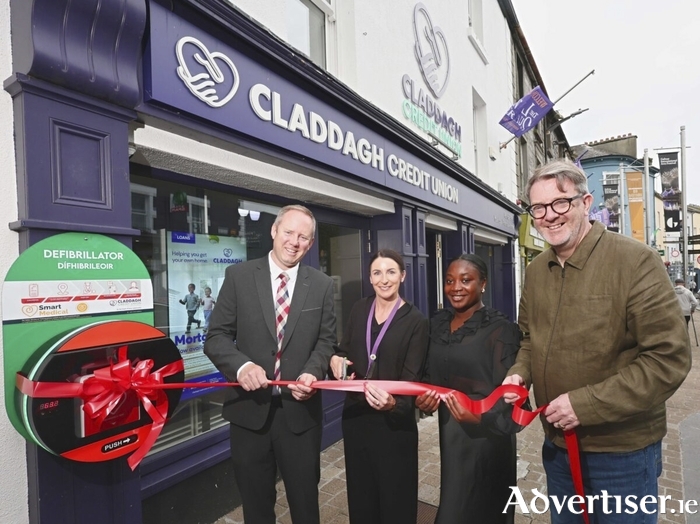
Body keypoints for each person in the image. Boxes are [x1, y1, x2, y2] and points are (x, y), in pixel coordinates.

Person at [503, 159, 691, 523]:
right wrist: (518, 374)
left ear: (586, 203)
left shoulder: (636, 261)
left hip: (622, 456)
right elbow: (529, 339)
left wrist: (584, 405)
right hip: (557, 449)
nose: (549, 216)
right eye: (538, 208)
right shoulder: (535, 271)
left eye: (561, 203)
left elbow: (668, 359)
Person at [203, 205, 336, 524]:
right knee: (256, 507)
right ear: (274, 231)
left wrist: (312, 370)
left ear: (311, 242)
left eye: (303, 237)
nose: (294, 241)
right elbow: (216, 336)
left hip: (300, 417)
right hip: (250, 414)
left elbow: (326, 341)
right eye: (289, 232)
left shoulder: (321, 285)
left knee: (306, 506)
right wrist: (240, 366)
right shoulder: (239, 277)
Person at [415, 254, 523, 524]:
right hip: (451, 433)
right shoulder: (437, 324)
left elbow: (514, 397)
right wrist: (424, 399)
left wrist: (481, 416)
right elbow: (430, 376)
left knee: (484, 510)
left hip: (489, 438)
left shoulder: (501, 329)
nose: (456, 287)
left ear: (483, 283)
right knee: (454, 504)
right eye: (450, 281)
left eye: (466, 280)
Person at [328, 249, 428, 524]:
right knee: (361, 500)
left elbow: (413, 378)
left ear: (403, 276)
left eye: (391, 272)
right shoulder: (360, 309)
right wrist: (336, 360)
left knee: (396, 502)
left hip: (394, 426)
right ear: (370, 278)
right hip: (357, 419)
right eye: (377, 273)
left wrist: (394, 404)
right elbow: (343, 350)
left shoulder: (416, 321)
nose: (384, 279)